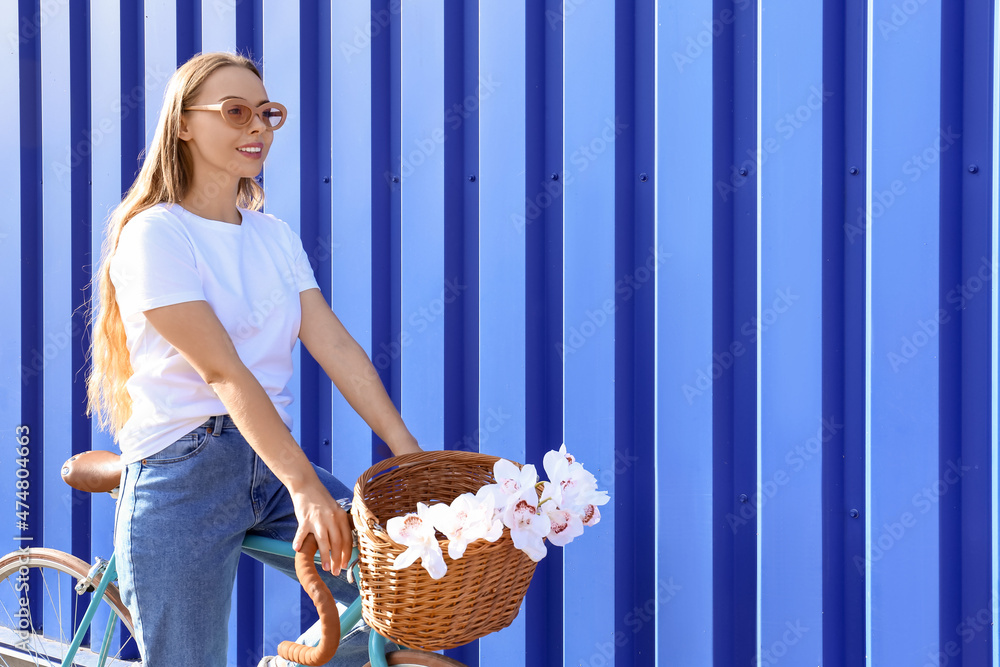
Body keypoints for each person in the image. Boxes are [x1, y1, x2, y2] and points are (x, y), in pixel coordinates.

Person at [86, 51, 421, 666]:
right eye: (235, 112)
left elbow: (336, 347)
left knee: (399, 592)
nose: (257, 127)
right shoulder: (155, 234)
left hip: (267, 461)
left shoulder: (273, 236)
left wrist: (410, 456)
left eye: (267, 113)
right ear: (183, 124)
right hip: (181, 472)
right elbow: (224, 372)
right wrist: (305, 487)